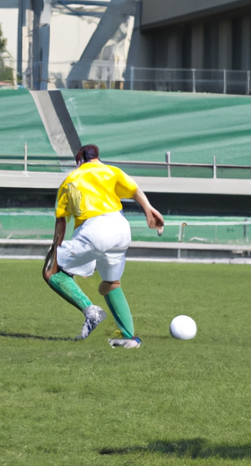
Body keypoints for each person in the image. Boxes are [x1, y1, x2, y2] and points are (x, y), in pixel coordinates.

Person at [43, 144, 164, 347]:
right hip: (121, 228)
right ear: (97, 157)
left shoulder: (71, 179)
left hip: (95, 229)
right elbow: (135, 190)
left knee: (51, 272)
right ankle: (130, 338)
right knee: (110, 284)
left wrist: (56, 249)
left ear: (79, 159)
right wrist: (148, 209)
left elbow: (61, 221)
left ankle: (91, 311)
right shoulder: (112, 171)